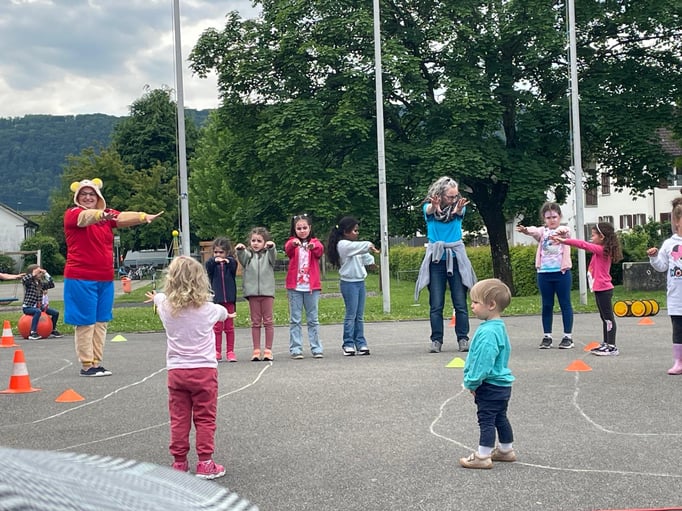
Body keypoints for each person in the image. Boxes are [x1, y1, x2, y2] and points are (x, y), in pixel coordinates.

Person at [145, 256, 235, 479]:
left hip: (176, 371)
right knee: (205, 418)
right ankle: (205, 462)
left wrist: (156, 297)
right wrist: (228, 314)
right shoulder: (209, 310)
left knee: (179, 418)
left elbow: (160, 298)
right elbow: (223, 313)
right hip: (204, 370)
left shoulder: (166, 307)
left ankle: (179, 462)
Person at [63, 178, 162, 377]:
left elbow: (122, 217)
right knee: (86, 322)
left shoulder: (107, 216)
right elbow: (85, 217)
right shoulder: (73, 213)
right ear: (77, 197)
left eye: (92, 194)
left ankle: (96, 362)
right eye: (84, 194)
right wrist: (100, 214)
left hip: (105, 278)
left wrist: (143, 216)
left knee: (101, 321)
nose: (88, 197)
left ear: (98, 196)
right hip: (81, 277)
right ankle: (87, 364)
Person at [415, 176, 477, 353]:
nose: (453, 199)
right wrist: (434, 206)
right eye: (450, 196)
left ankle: (463, 338)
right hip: (437, 261)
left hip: (456, 259)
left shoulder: (459, 207)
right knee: (436, 303)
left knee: (460, 302)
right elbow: (429, 211)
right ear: (441, 195)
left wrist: (458, 209)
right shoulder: (429, 208)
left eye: (455, 196)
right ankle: (436, 340)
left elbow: (458, 213)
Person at [459, 278, 516, 469]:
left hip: (489, 384)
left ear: (491, 305)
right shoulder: (498, 326)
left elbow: (483, 362)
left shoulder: (488, 333)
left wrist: (472, 382)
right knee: (500, 417)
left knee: (486, 419)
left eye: (476, 302)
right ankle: (506, 450)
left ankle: (483, 456)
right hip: (502, 385)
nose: (472, 306)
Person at [552, 222, 623, 356]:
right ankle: (606, 343)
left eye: (593, 235)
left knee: (608, 318)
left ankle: (612, 346)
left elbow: (583, 245)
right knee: (604, 318)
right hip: (599, 289)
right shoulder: (601, 250)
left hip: (604, 289)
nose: (591, 237)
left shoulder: (602, 250)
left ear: (602, 237)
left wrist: (564, 241)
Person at [516, 202, 574, 349]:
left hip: (562, 273)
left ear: (559, 217)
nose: (552, 220)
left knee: (565, 303)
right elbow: (534, 231)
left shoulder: (564, 231)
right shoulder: (543, 232)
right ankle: (547, 336)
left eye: (554, 217)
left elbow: (566, 231)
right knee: (547, 305)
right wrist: (525, 230)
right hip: (544, 274)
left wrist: (560, 231)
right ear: (544, 218)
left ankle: (567, 337)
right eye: (548, 218)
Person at [326, 216, 380, 356]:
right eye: (355, 230)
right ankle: (348, 344)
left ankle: (360, 343)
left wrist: (371, 261)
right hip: (349, 283)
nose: (357, 233)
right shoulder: (343, 245)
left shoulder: (354, 246)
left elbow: (364, 255)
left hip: (360, 282)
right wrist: (369, 245)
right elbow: (359, 248)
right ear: (346, 231)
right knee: (351, 315)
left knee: (359, 316)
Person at [648, 197, 682, 374]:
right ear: (677, 222)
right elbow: (661, 266)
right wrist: (653, 257)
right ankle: (679, 362)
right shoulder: (669, 244)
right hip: (677, 297)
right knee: (678, 331)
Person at [284, 214, 325, 359]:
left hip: (311, 288)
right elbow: (288, 249)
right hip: (295, 288)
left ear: (310, 228)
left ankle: (316, 348)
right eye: (299, 228)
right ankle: (296, 349)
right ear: (294, 230)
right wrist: (293, 243)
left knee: (313, 319)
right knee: (295, 319)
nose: (302, 231)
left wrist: (313, 247)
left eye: (304, 228)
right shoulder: (292, 242)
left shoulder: (315, 242)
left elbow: (320, 250)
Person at [235, 227, 277, 362]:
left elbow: (273, 256)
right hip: (253, 293)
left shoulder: (268, 255)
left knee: (268, 321)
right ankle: (256, 350)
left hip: (267, 292)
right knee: (255, 322)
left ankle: (268, 350)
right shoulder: (248, 256)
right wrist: (240, 250)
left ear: (265, 242)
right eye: (253, 240)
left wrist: (271, 247)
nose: (256, 243)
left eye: (259, 241)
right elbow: (242, 258)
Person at [206, 237, 238, 362]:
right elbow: (208, 266)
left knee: (229, 328)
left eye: (221, 252)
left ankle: (230, 351)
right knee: (217, 328)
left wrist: (227, 260)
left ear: (227, 252)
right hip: (217, 300)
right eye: (216, 252)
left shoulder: (230, 264)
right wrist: (215, 261)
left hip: (229, 300)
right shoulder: (212, 265)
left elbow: (234, 265)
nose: (218, 255)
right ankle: (217, 351)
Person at [21, 264, 62, 339]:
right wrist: (34, 273)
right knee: (37, 312)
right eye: (39, 272)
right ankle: (33, 332)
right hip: (28, 307)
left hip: (39, 307)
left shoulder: (40, 283)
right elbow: (24, 279)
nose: (40, 274)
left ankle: (52, 329)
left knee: (55, 313)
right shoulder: (29, 282)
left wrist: (46, 273)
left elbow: (51, 284)